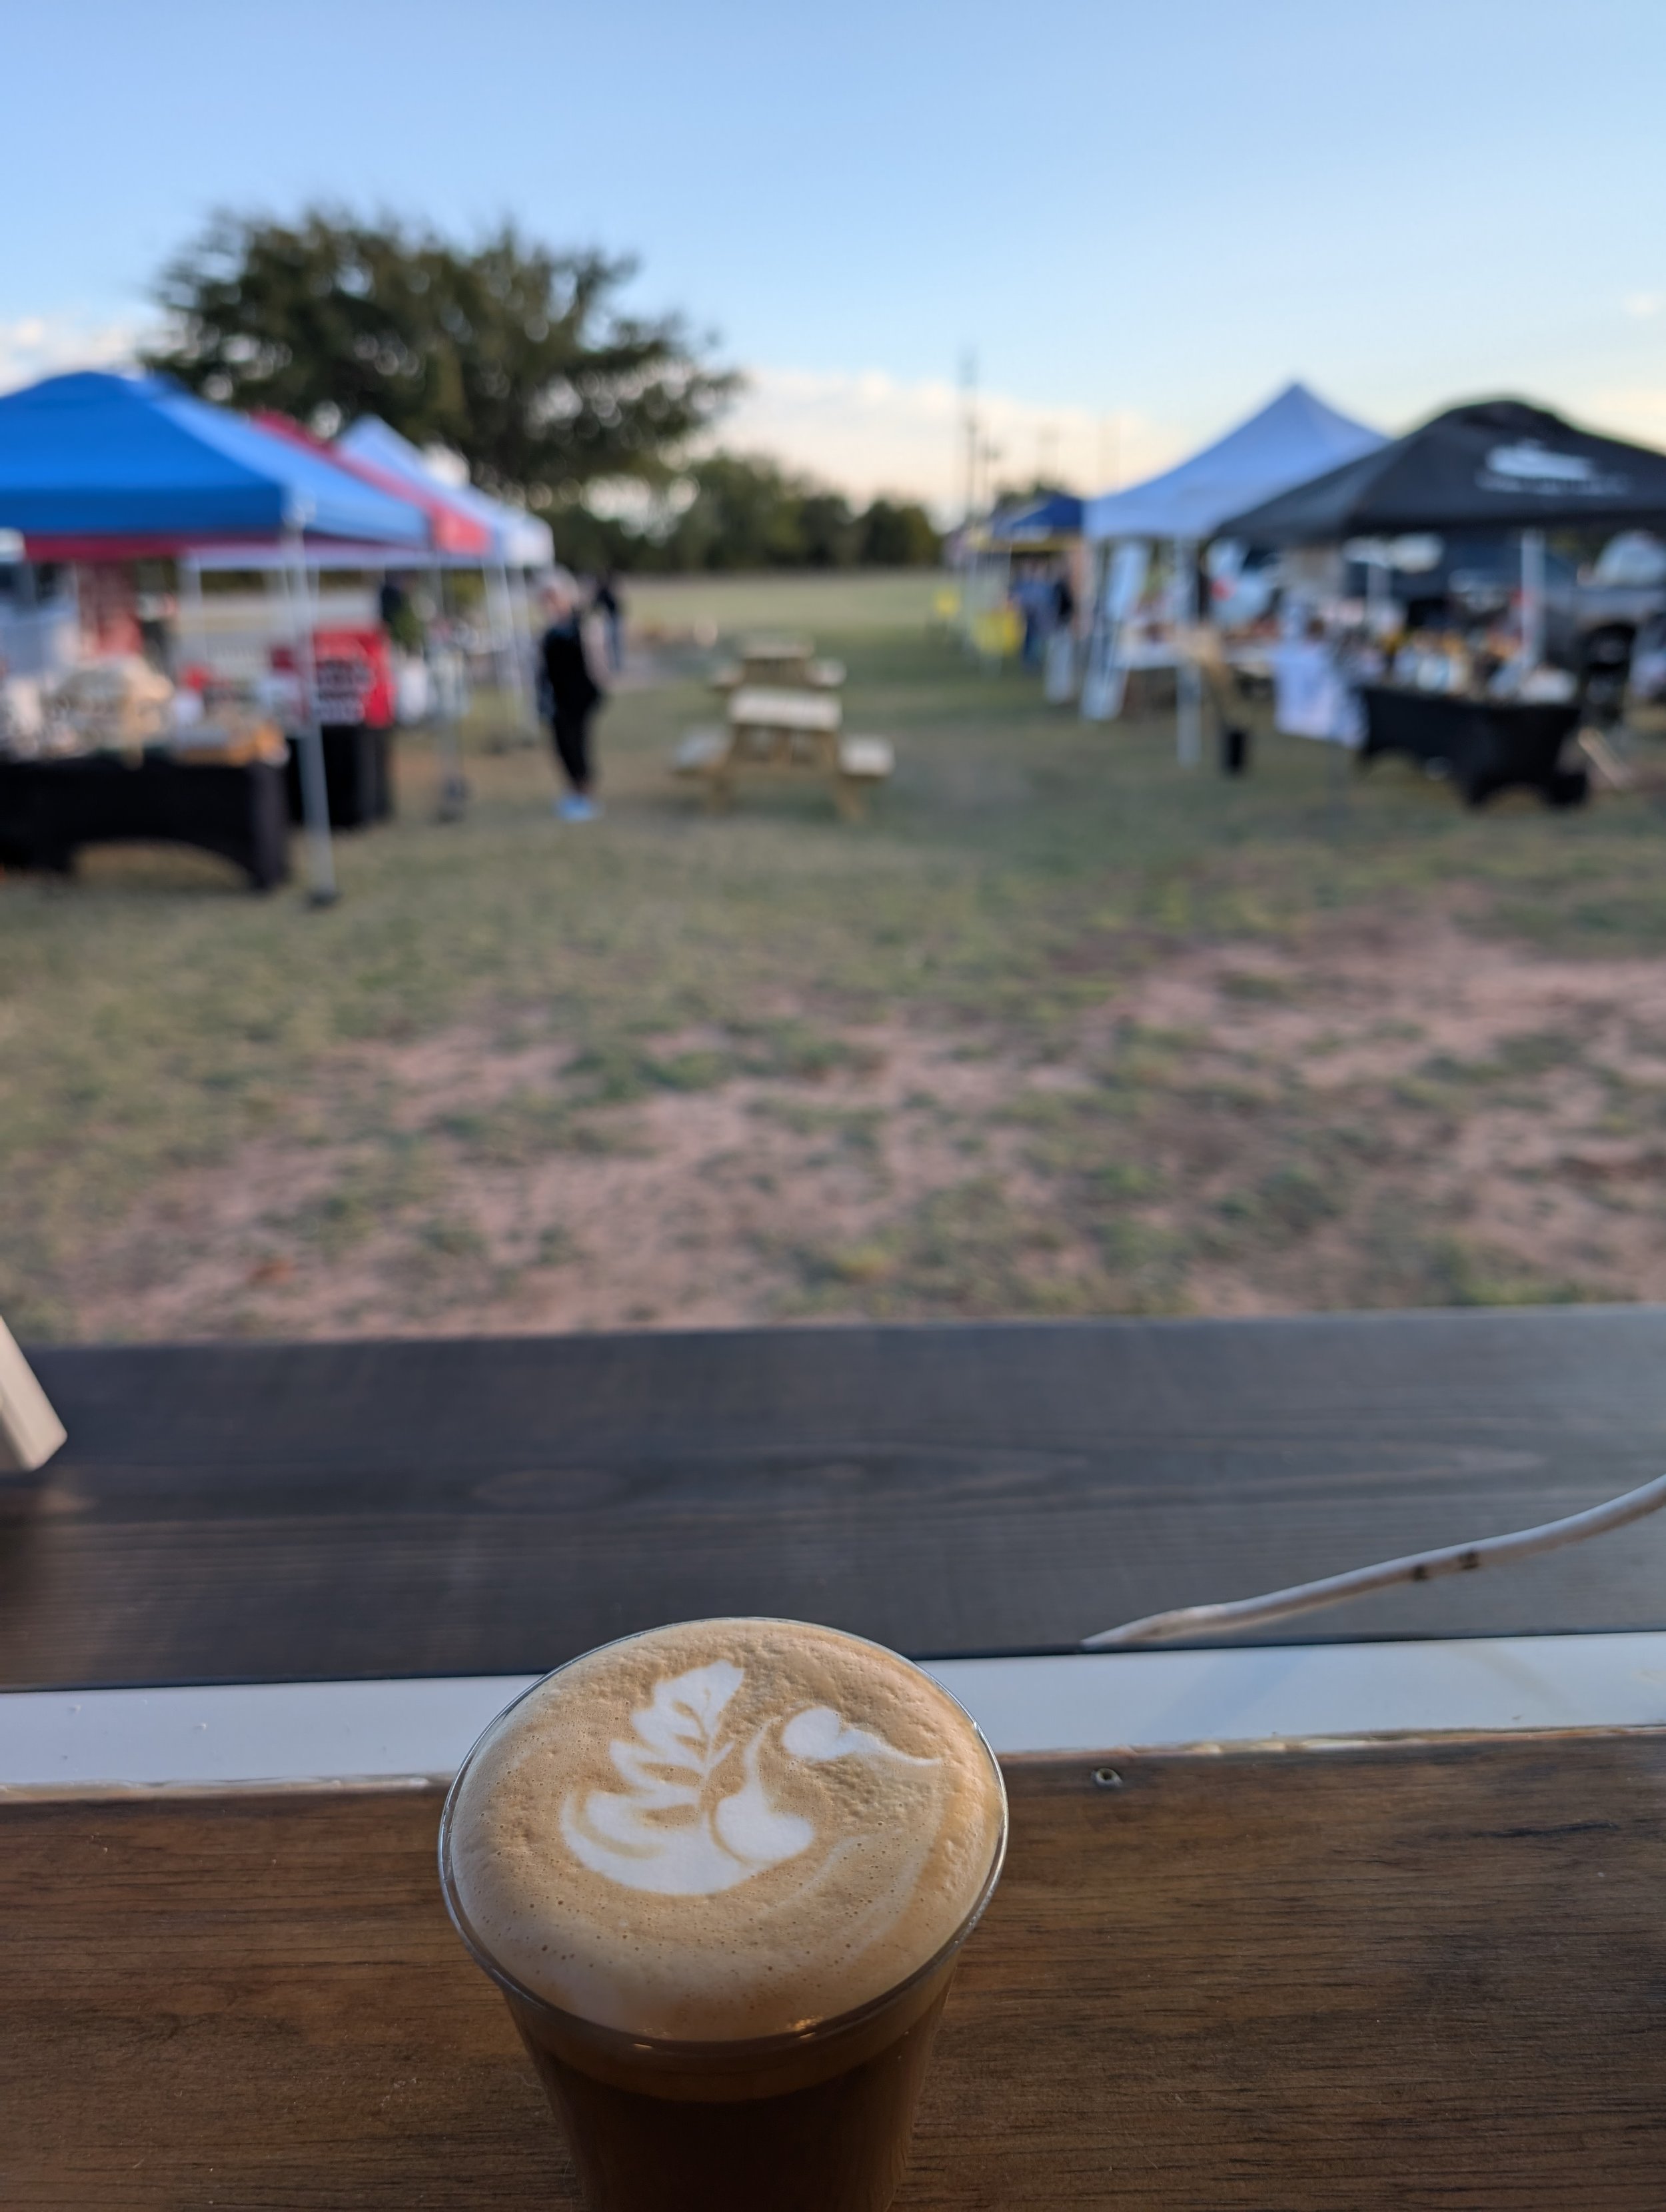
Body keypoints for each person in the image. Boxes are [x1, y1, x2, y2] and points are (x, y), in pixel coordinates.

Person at [539, 574, 605, 822]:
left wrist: (598, 687)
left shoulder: (581, 624)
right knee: (562, 746)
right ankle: (574, 792)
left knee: (577, 745)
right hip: (557, 698)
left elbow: (596, 660)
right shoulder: (551, 630)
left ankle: (586, 795)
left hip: (579, 697)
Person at [592, 570, 624, 675]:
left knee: (613, 642)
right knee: (613, 642)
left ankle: (616, 666)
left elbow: (596, 605)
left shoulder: (604, 591)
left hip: (613, 618)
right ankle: (615, 666)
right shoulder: (606, 590)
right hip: (611, 618)